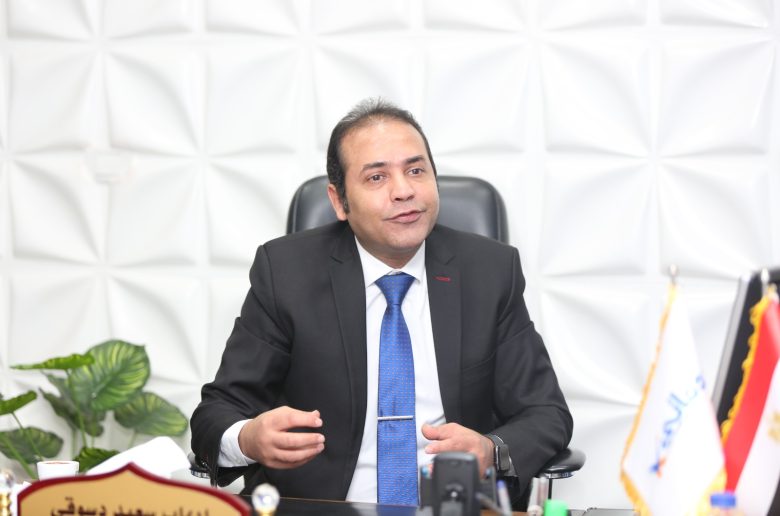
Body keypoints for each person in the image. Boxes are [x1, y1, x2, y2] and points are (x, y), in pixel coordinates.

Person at [190, 98, 572, 507]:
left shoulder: (490, 271)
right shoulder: (286, 273)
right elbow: (216, 412)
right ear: (339, 201)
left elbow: (546, 413)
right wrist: (247, 439)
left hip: (451, 506)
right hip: (321, 509)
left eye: (416, 170)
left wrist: (490, 449)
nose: (404, 191)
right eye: (376, 177)